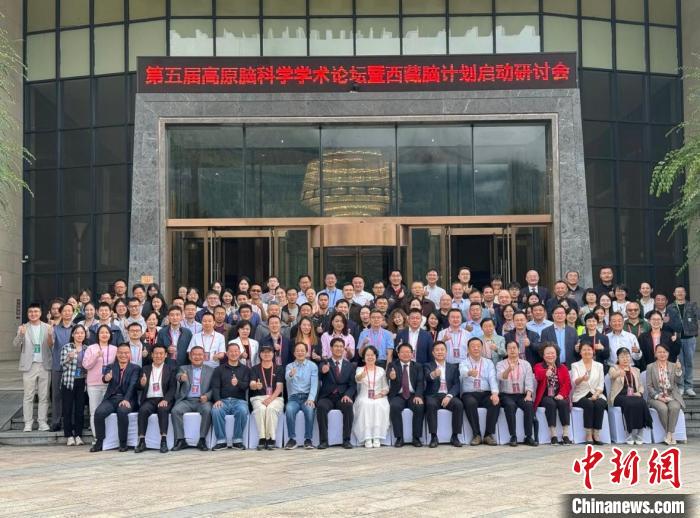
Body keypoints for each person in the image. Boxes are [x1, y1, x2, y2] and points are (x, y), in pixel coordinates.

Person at [90, 344, 141, 452]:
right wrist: (106, 378)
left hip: (128, 398)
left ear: (130, 354)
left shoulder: (135, 368)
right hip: (112, 398)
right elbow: (104, 379)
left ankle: (123, 443)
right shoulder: (111, 367)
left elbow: (132, 385)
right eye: (120, 352)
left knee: (122, 412)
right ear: (117, 354)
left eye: (126, 353)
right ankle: (99, 442)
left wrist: (126, 399)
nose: (123, 355)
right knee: (99, 412)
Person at [13, 303, 54, 432]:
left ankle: (42, 422)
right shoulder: (23, 327)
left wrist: (50, 334)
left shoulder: (48, 327)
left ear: (40, 313)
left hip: (44, 365)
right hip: (29, 366)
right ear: (28, 314)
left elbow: (52, 345)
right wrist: (21, 334)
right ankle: (28, 423)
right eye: (30, 312)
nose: (33, 314)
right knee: (28, 396)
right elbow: (15, 344)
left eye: (36, 311)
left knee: (44, 396)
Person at [134, 344, 177, 453]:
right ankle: (142, 441)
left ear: (166, 355)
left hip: (163, 398)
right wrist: (142, 384)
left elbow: (173, 388)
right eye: (156, 353)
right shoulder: (145, 369)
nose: (158, 356)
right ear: (152, 355)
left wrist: (166, 400)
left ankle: (163, 441)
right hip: (149, 399)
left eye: (161, 353)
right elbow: (138, 387)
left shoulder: (170, 369)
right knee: (143, 410)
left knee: (163, 410)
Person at [171, 346, 214, 452]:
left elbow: (214, 388)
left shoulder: (211, 370)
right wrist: (181, 378)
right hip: (187, 400)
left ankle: (202, 440)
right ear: (190, 356)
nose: (197, 357)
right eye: (194, 354)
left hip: (202, 400)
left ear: (204, 356)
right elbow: (178, 376)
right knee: (175, 410)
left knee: (208, 410)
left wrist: (207, 396)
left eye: (200, 354)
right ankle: (180, 440)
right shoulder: (184, 368)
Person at [316, 338, 356, 449]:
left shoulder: (350, 366)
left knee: (348, 406)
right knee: (321, 406)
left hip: (342, 397)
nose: (338, 348)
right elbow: (319, 375)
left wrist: (347, 395)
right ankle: (324, 441)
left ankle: (346, 440)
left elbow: (352, 385)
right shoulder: (324, 363)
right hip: (327, 397)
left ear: (344, 349)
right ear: (331, 348)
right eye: (336, 346)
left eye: (341, 346)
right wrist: (323, 370)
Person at [459, 337, 499, 446]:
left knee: (495, 402)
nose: (476, 348)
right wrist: (469, 373)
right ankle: (476, 435)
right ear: (468, 349)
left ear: (482, 348)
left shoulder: (488, 362)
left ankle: (488, 435)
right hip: (469, 393)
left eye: (478, 346)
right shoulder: (464, 362)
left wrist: (495, 394)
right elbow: (462, 372)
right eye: (473, 346)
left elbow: (492, 379)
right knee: (470, 403)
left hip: (485, 393)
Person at [211, 342, 250, 450]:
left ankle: (237, 440)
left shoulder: (245, 369)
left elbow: (246, 386)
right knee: (216, 411)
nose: (233, 353)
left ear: (239, 353)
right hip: (223, 400)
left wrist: (238, 383)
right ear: (227, 354)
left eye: (236, 351)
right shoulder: (219, 369)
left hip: (239, 401)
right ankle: (221, 441)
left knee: (242, 410)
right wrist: (217, 400)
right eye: (231, 351)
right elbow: (215, 387)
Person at [423, 341, 463, 448]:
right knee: (430, 404)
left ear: (446, 352)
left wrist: (449, 396)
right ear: (433, 353)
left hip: (447, 395)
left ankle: (455, 436)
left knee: (458, 404)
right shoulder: (427, 365)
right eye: (437, 350)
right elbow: (426, 377)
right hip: (433, 395)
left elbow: (457, 384)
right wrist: (433, 374)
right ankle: (433, 437)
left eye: (442, 350)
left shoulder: (453, 367)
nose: (440, 352)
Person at [497, 341, 537, 447]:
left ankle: (528, 436)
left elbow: (529, 381)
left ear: (519, 350)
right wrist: (508, 369)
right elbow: (501, 377)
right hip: (506, 394)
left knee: (529, 405)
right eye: (509, 348)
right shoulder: (500, 364)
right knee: (510, 406)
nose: (512, 350)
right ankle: (513, 436)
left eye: (514, 348)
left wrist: (528, 395)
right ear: (506, 351)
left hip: (521, 394)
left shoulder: (526, 364)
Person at [608, 347, 652, 445]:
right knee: (629, 403)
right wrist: (619, 373)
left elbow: (640, 385)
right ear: (618, 358)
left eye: (627, 357)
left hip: (634, 395)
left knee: (641, 402)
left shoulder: (635, 370)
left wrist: (640, 393)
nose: (625, 359)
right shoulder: (613, 368)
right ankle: (629, 433)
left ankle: (640, 432)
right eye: (622, 357)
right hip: (619, 395)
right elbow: (612, 375)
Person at [387, 343, 425, 448]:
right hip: (398, 395)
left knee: (419, 406)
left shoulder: (418, 366)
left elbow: (420, 382)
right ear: (398, 354)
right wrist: (391, 376)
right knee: (394, 406)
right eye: (402, 352)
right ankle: (399, 438)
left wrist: (418, 395)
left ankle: (416, 438)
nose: (405, 354)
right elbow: (388, 375)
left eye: (408, 352)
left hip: (413, 395)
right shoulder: (392, 365)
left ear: (412, 354)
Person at [646, 343, 685, 445]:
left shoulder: (673, 365)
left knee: (674, 407)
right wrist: (658, 397)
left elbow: (679, 381)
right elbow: (649, 386)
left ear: (668, 353)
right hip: (656, 396)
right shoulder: (650, 367)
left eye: (664, 352)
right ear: (655, 354)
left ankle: (669, 434)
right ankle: (671, 434)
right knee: (663, 409)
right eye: (659, 352)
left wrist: (678, 370)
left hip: (672, 395)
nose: (662, 354)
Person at [83, 324, 118, 434]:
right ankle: (97, 437)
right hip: (94, 385)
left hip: (110, 384)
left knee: (109, 411)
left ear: (110, 335)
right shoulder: (91, 348)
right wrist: (96, 356)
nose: (104, 334)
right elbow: (86, 365)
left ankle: (107, 437)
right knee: (94, 411)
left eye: (107, 332)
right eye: (102, 332)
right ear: (97, 335)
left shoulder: (115, 349)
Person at [533, 343, 571, 445]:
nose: (550, 355)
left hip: (559, 395)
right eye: (548, 353)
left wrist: (562, 394)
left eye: (553, 353)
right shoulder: (538, 366)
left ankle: (565, 434)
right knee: (550, 403)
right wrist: (545, 372)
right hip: (545, 396)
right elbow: (538, 375)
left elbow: (567, 384)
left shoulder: (562, 367)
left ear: (557, 354)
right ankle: (553, 435)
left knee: (563, 403)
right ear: (543, 355)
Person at [249, 345, 285, 450]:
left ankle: (271, 438)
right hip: (258, 397)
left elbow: (279, 388)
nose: (266, 354)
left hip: (275, 398)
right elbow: (251, 384)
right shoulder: (254, 369)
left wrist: (270, 399)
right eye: (264, 352)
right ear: (260, 355)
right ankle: (262, 438)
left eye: (269, 352)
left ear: (273, 354)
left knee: (271, 409)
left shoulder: (279, 368)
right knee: (261, 409)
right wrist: (255, 385)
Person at [353, 346, 390, 448]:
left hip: (378, 395)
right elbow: (357, 379)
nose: (370, 357)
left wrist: (380, 395)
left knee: (379, 404)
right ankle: (367, 437)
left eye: (372, 355)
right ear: (364, 357)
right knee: (365, 404)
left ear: (376, 357)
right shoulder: (360, 369)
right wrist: (361, 376)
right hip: (364, 395)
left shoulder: (381, 370)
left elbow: (386, 387)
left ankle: (377, 436)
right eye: (367, 355)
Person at [571, 342, 607, 445]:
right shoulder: (575, 365)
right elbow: (575, 382)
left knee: (600, 403)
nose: (587, 352)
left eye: (589, 349)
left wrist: (596, 395)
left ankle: (596, 433)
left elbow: (601, 384)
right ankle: (588, 434)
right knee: (588, 404)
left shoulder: (599, 365)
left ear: (593, 351)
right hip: (580, 394)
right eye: (584, 350)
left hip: (596, 393)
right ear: (580, 352)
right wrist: (582, 378)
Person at [284, 342, 319, 450]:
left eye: (302, 350)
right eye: (297, 351)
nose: (300, 353)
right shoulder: (290, 366)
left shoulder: (312, 366)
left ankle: (308, 439)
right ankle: (292, 439)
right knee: (289, 410)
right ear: (294, 353)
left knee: (309, 410)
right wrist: (291, 374)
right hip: (293, 398)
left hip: (307, 397)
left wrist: (311, 399)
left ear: (306, 352)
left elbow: (314, 384)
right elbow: (287, 378)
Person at [667, 286, 698, 396]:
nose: (680, 293)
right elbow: (668, 322)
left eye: (682, 291)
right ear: (674, 294)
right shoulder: (670, 307)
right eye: (678, 292)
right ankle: (680, 386)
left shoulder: (692, 305)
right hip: (677, 338)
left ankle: (689, 386)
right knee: (679, 363)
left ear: (685, 293)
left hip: (690, 338)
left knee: (689, 362)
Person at [60, 324, 88, 445]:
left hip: (82, 381)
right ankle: (69, 435)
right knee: (67, 409)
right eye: (77, 333)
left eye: (82, 333)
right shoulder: (67, 347)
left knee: (79, 409)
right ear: (73, 334)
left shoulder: (87, 348)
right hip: (69, 381)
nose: (79, 335)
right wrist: (69, 358)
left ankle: (78, 435)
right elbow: (62, 365)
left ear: (85, 335)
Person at [51, 303, 75, 431]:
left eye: (69, 310)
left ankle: (71, 422)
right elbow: (50, 344)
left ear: (73, 312)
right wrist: (49, 333)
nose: (67, 313)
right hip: (58, 366)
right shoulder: (55, 329)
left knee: (72, 395)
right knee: (56, 395)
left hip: (73, 367)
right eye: (64, 311)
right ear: (61, 313)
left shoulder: (77, 328)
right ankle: (56, 422)